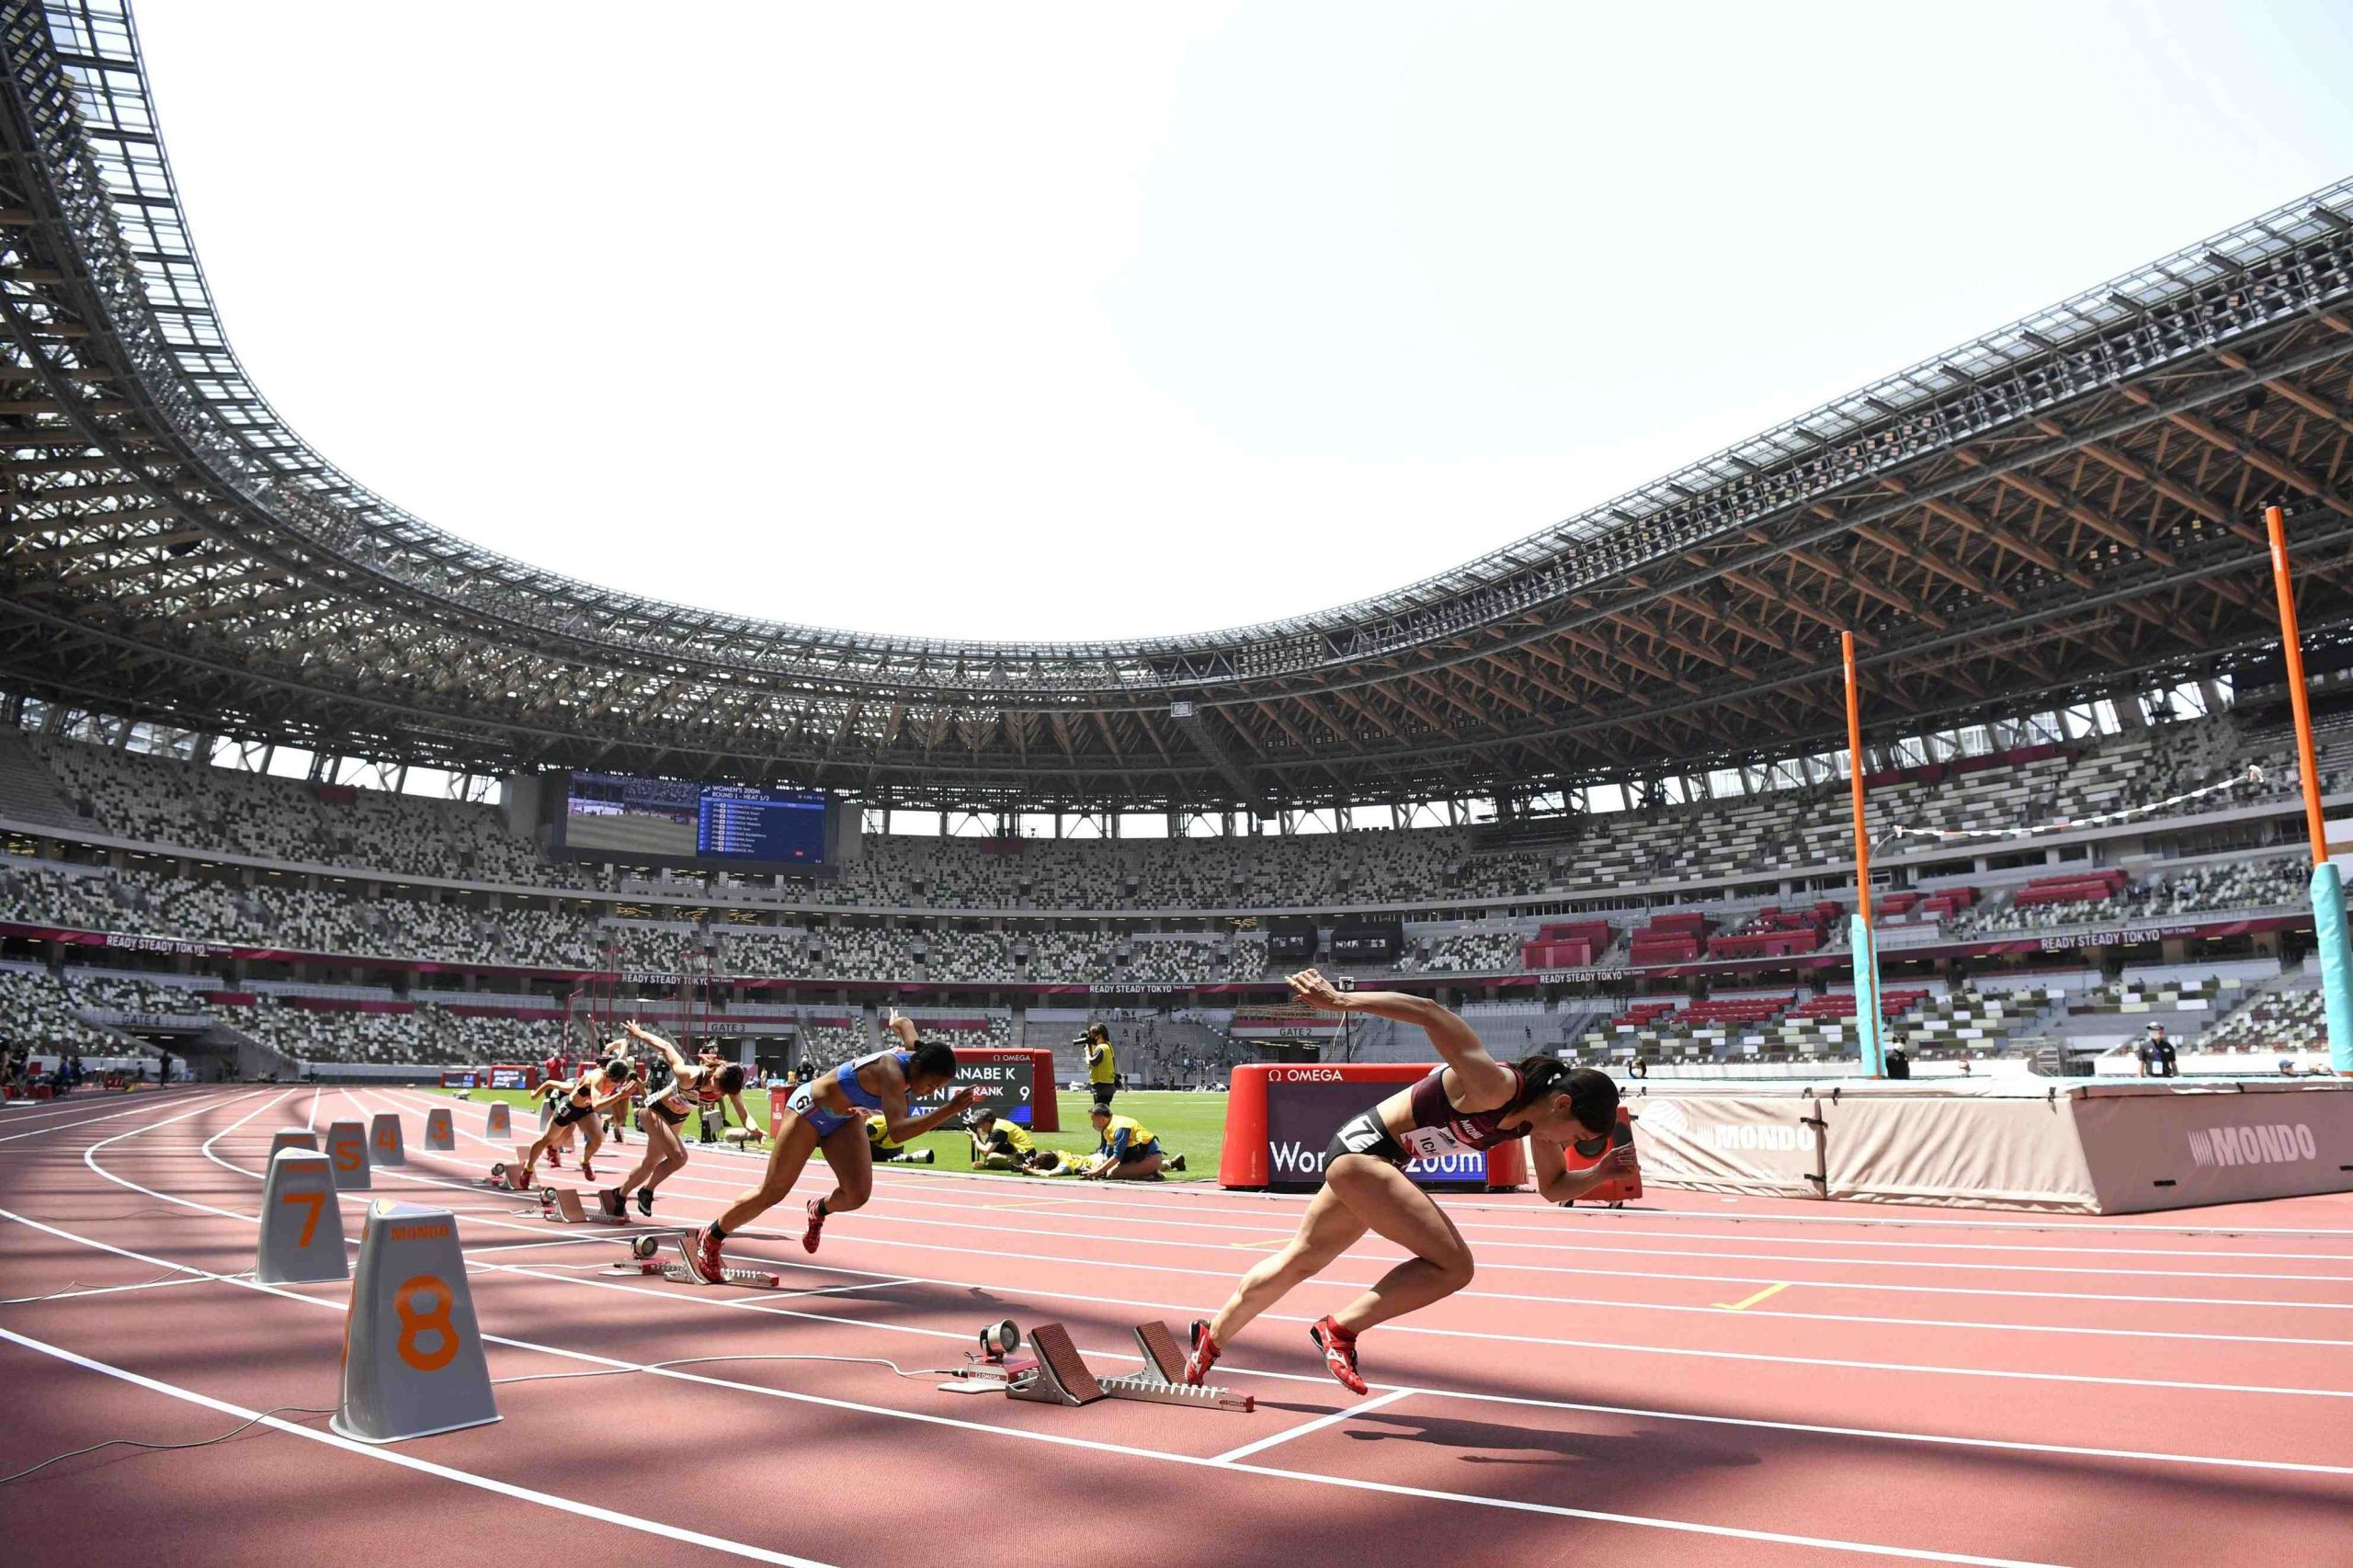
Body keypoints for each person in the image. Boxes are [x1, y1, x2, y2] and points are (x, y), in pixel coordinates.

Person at [1184, 970, 1635, 1396]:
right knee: (1454, 1266)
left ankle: (1211, 1338)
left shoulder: (1530, 1127)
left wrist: (1599, 1173)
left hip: (1377, 1161)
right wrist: (1341, 1001)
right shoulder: (1495, 1086)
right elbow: (1429, 1012)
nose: (1569, 1144)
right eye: (1576, 1136)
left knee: (1299, 1260)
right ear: (1560, 1105)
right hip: (1363, 1154)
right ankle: (1338, 1330)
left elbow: (1553, 1189)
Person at [680, 1011, 977, 1281]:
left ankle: (818, 1209)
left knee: (857, 1194)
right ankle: (713, 1235)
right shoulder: (891, 1071)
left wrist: (895, 1020)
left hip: (845, 1119)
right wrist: (948, 1109)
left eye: (936, 1090)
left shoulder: (917, 1054)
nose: (928, 1093)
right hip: (809, 1111)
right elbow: (897, 1132)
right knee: (773, 1191)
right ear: (919, 1068)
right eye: (930, 1086)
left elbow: (906, 1026)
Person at [610, 1023, 753, 1218]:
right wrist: (639, 1033)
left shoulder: (729, 1088)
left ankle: (620, 1194)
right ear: (715, 1077)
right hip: (655, 1111)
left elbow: (744, 1114)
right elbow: (666, 1047)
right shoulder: (689, 1075)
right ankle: (647, 1191)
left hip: (677, 1118)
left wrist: (756, 1130)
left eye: (722, 1093)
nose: (718, 1094)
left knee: (650, 1163)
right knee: (679, 1158)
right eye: (717, 1088)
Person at [517, 1053, 637, 1186]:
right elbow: (597, 1105)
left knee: (597, 1139)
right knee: (548, 1139)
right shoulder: (597, 1078)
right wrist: (619, 1096)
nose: (615, 1085)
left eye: (618, 1083)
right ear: (609, 1075)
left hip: (585, 1111)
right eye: (614, 1082)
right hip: (570, 1108)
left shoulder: (615, 1075)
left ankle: (585, 1161)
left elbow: (623, 1053)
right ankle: (528, 1167)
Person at [1082, 1106, 1183, 1179]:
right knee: (1107, 1170)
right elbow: (1107, 1155)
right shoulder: (1109, 1127)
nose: (1093, 1124)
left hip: (1150, 1157)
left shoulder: (1120, 1127)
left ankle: (1152, 1175)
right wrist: (1098, 1169)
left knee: (1113, 1173)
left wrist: (1097, 1172)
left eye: (1093, 1120)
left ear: (1103, 1119)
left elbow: (1117, 1157)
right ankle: (1169, 1164)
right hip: (1140, 1158)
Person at [968, 1108, 1068, 1175]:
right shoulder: (997, 1124)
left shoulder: (998, 1129)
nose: (979, 1127)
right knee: (991, 1151)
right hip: (1018, 1152)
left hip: (1025, 1157)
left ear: (987, 1122)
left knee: (991, 1157)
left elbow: (985, 1151)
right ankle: (993, 1164)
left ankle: (1014, 1166)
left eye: (980, 1124)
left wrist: (975, 1138)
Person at [866, 1112, 936, 1164]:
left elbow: (860, 1141)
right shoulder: (879, 1118)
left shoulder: (870, 1123)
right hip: (898, 1149)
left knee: (860, 1143)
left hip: (885, 1150)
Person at [1083, 1022, 1118, 1112]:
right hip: (1107, 1085)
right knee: (1104, 1113)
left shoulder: (1101, 1048)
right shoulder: (1108, 1045)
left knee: (1101, 1114)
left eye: (1092, 1034)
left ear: (1099, 1035)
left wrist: (1087, 1051)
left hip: (1102, 1086)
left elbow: (1091, 1063)